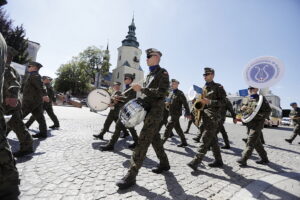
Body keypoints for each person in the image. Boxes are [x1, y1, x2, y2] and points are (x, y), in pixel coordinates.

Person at [116, 48, 170, 190]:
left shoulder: (162, 73)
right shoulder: (149, 75)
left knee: (143, 140)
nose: (145, 59)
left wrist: (142, 89)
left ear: (157, 57)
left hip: (156, 112)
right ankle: (164, 163)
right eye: (145, 57)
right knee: (155, 139)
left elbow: (162, 93)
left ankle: (131, 175)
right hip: (148, 110)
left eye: (148, 56)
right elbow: (145, 95)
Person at [187, 67, 226, 170]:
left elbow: (224, 102)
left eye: (207, 74)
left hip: (213, 117)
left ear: (212, 75)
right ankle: (218, 160)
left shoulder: (218, 87)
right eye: (204, 75)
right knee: (213, 140)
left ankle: (196, 161)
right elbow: (201, 102)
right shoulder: (203, 88)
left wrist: (209, 102)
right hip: (204, 117)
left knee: (205, 138)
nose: (204, 76)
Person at [0, 22, 20, 200]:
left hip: (11, 103)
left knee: (16, 124)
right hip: (9, 103)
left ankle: (9, 185)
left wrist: (13, 95)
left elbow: (14, 83)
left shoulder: (9, 68)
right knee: (16, 124)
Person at [4, 46, 33, 157]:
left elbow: (15, 85)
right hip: (9, 103)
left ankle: (27, 146)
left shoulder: (7, 69)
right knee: (12, 125)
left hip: (10, 104)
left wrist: (12, 98)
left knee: (18, 126)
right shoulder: (11, 69)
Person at [99, 73, 138, 151]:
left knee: (129, 128)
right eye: (124, 78)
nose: (124, 80)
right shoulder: (126, 89)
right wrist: (117, 100)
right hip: (124, 111)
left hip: (128, 111)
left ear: (130, 80)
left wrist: (119, 97)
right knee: (121, 127)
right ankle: (111, 144)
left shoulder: (132, 88)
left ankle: (137, 143)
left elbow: (129, 99)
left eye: (126, 78)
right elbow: (122, 100)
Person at [237, 86, 271, 166]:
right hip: (248, 123)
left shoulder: (261, 99)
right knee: (257, 143)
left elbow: (268, 111)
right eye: (249, 89)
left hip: (257, 123)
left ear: (257, 89)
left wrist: (258, 115)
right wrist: (241, 109)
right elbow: (240, 110)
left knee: (251, 141)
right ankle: (264, 158)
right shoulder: (246, 98)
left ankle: (244, 159)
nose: (250, 90)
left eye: (252, 88)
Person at [22, 61, 49, 139]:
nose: (28, 67)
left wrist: (45, 95)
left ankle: (4, 133)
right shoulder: (34, 75)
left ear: (34, 67)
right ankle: (43, 133)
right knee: (40, 117)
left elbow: (41, 86)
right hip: (35, 101)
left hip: (30, 101)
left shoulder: (35, 75)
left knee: (18, 116)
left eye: (29, 66)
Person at [162, 79, 191, 147]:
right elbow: (168, 102)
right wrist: (166, 103)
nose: (172, 85)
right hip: (171, 113)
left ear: (177, 84)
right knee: (178, 128)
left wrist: (188, 113)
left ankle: (161, 143)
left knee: (168, 128)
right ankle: (184, 142)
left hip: (176, 114)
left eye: (174, 84)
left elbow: (185, 104)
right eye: (171, 84)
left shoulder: (180, 93)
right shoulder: (171, 93)